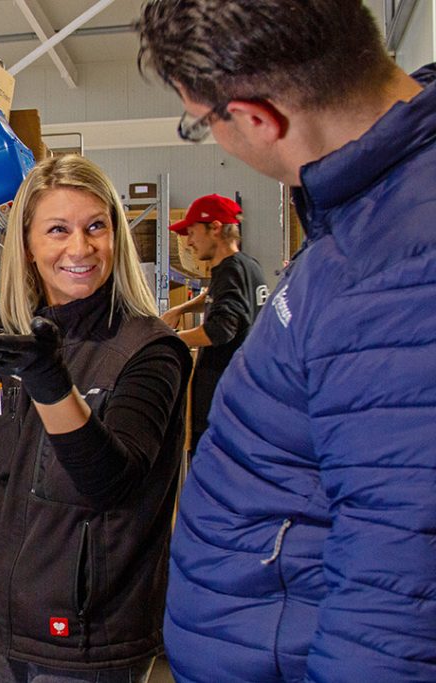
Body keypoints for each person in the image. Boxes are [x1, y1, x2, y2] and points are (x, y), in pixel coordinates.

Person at [137, 1, 436, 681]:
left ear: (256, 118)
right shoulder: (373, 209)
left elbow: (398, 595)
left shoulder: (395, 265)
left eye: (200, 123)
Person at [0, 154, 191, 682]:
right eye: (58, 230)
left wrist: (49, 381)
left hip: (90, 638)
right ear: (29, 247)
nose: (79, 248)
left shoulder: (150, 351)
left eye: (95, 227)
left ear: (116, 237)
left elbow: (108, 480)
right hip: (11, 622)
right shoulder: (33, 342)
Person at [160, 194, 268, 450]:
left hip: (224, 401)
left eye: (192, 232)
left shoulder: (231, 270)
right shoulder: (246, 266)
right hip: (242, 399)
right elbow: (215, 296)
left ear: (215, 228)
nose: (188, 242)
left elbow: (220, 331)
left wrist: (169, 339)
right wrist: (181, 308)